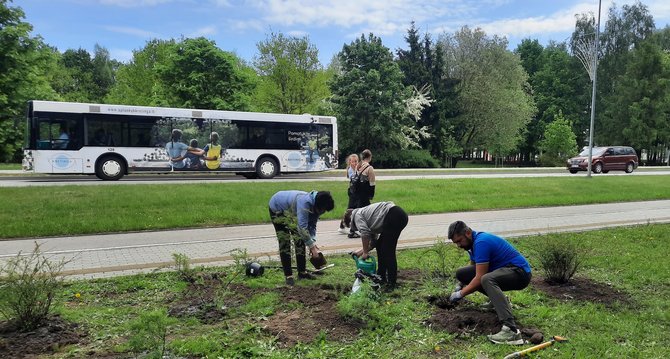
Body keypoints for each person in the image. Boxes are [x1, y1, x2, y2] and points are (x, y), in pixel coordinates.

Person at [446, 220, 532, 345]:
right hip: (506, 270)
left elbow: (480, 276)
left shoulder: (482, 242)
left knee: (486, 279)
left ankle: (511, 331)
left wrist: (460, 294)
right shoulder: (472, 244)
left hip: (520, 272)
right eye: (456, 243)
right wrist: (461, 283)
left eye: (459, 241)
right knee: (462, 273)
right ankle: (499, 302)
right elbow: (474, 268)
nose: (458, 245)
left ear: (468, 233)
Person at [268, 190, 335, 286]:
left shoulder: (317, 206)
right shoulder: (304, 203)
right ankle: (288, 275)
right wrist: (311, 247)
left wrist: (313, 243)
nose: (322, 213)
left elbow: (312, 225)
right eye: (323, 210)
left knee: (299, 240)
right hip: (278, 208)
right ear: (318, 205)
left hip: (291, 211)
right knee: (285, 241)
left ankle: (302, 273)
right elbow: (302, 228)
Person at [344, 201, 408, 290]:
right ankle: (381, 277)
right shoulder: (366, 217)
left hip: (394, 216)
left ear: (350, 220)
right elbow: (374, 243)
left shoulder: (357, 215)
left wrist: (365, 252)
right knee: (381, 246)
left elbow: (364, 233)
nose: (354, 229)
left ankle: (391, 283)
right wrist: (362, 251)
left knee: (387, 251)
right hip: (398, 215)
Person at [346, 149, 376, 238]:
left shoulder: (358, 165)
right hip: (364, 193)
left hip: (356, 192)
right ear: (370, 157)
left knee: (357, 211)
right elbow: (372, 183)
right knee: (367, 212)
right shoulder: (369, 168)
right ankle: (360, 231)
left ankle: (354, 230)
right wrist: (371, 194)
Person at [338, 153, 360, 235]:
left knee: (353, 209)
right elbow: (355, 179)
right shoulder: (351, 170)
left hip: (355, 192)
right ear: (349, 162)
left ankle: (344, 227)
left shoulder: (356, 169)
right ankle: (344, 227)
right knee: (350, 209)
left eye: (356, 161)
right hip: (352, 192)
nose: (355, 163)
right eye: (353, 162)